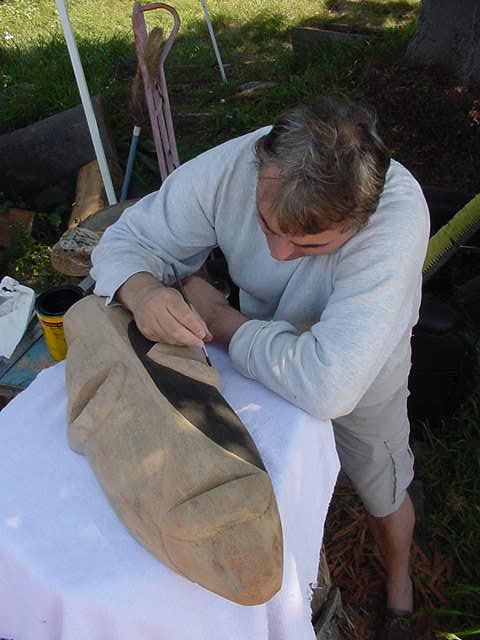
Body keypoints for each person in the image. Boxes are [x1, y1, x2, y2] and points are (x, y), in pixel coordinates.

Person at [90, 95, 430, 638]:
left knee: (380, 482)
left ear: (359, 220)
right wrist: (142, 289)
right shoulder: (237, 166)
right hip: (258, 355)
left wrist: (221, 320)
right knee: (267, 480)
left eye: (310, 245)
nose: (277, 254)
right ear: (262, 168)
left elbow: (331, 386)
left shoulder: (397, 217)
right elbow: (127, 240)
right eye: (268, 225)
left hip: (361, 370)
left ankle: (400, 587)